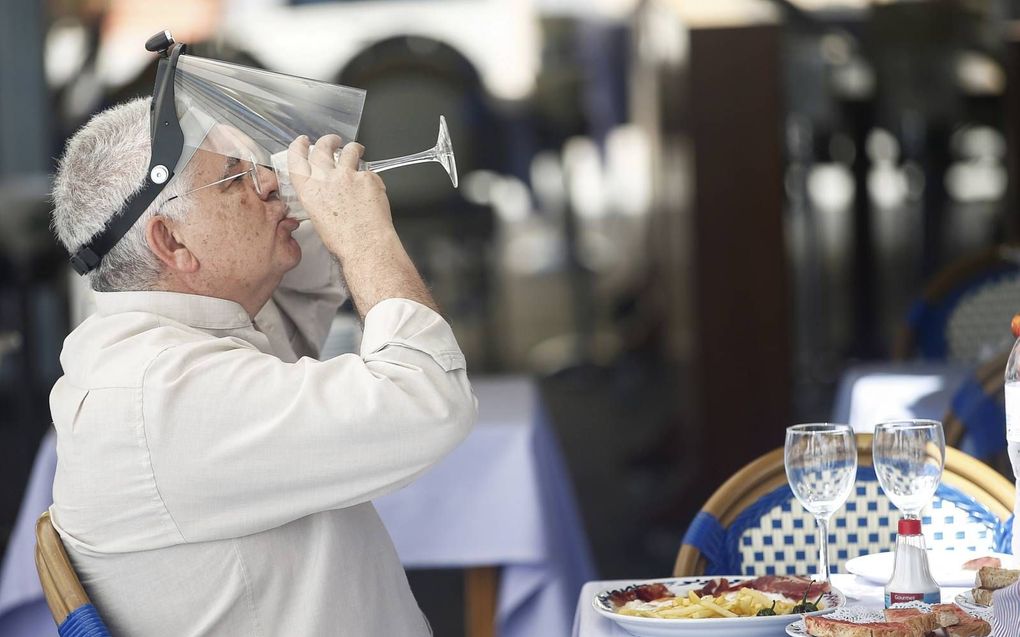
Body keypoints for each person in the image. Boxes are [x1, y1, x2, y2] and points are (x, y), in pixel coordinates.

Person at [47, 96, 477, 636]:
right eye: (234, 181)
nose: (269, 182)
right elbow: (429, 399)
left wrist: (290, 182)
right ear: (171, 240)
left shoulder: (179, 332)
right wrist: (366, 236)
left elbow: (304, 276)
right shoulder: (160, 395)